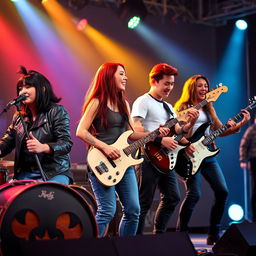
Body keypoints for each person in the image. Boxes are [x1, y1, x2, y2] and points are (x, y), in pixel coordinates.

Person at [76, 62, 168, 237]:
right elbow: (81, 131)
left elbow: (131, 135)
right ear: (109, 76)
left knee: (134, 210)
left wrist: (156, 134)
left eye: (125, 74)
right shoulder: (97, 102)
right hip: (100, 161)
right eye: (121, 74)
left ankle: (126, 250)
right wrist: (105, 147)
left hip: (123, 163)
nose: (125, 77)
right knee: (107, 211)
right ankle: (87, 249)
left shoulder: (124, 104)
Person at [174, 74, 250, 244]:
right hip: (189, 155)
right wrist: (186, 144)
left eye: (206, 87)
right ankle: (180, 235)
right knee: (194, 194)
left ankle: (214, 233)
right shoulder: (182, 107)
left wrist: (239, 125)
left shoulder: (209, 107)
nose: (204, 89)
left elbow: (218, 131)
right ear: (192, 88)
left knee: (223, 191)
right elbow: (176, 133)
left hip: (207, 154)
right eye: (200, 86)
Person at [131, 63, 199, 234]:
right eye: (166, 83)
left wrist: (190, 123)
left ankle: (159, 236)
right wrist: (161, 139)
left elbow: (177, 131)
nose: (169, 87)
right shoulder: (143, 101)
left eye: (172, 84)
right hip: (147, 157)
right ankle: (134, 245)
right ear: (154, 81)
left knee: (172, 197)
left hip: (165, 159)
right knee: (143, 202)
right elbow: (136, 130)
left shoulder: (168, 107)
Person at [0, 66, 73, 185]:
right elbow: (8, 141)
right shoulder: (18, 116)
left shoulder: (57, 111)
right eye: (20, 88)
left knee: (47, 197)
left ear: (43, 89)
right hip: (25, 174)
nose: (22, 91)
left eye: (28, 87)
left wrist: (44, 147)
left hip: (54, 173)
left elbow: (66, 144)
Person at [240, 114, 256, 222]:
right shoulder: (251, 130)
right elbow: (243, 145)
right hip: (254, 160)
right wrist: (243, 160)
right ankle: (255, 217)